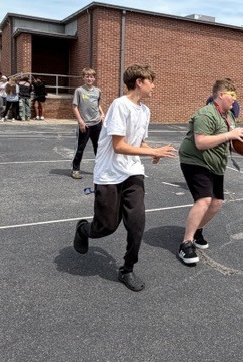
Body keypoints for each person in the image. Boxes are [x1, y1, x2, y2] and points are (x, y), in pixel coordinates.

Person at [73, 64, 177, 291]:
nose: (154, 86)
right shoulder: (120, 106)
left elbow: (138, 141)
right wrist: (152, 152)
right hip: (109, 175)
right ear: (139, 82)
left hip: (133, 172)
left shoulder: (145, 111)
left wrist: (153, 151)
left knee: (137, 223)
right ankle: (84, 229)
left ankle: (127, 269)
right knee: (107, 227)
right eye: (151, 81)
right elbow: (119, 145)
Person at [177, 78, 243, 265]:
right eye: (232, 96)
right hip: (195, 160)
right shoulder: (205, 114)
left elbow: (229, 137)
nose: (235, 100)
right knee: (204, 200)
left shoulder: (230, 116)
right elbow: (200, 143)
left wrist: (242, 141)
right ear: (221, 95)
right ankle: (186, 243)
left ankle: (197, 230)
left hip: (215, 163)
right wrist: (229, 135)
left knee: (217, 203)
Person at [71, 68, 105, 179]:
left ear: (94, 78)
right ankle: (75, 170)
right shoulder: (79, 91)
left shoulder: (97, 91)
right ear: (83, 77)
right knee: (80, 148)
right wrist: (80, 121)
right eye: (87, 76)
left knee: (98, 148)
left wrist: (102, 114)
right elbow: (75, 107)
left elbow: (97, 104)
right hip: (85, 125)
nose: (89, 78)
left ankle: (100, 169)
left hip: (97, 124)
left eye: (91, 76)